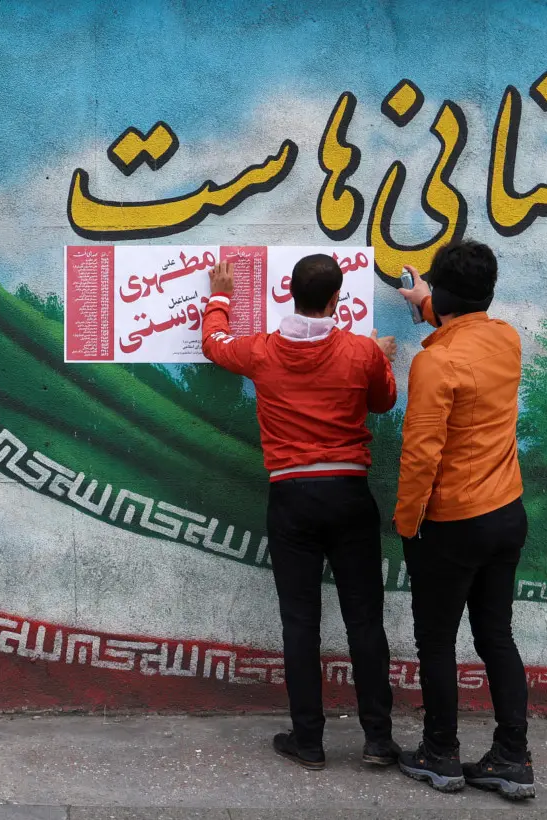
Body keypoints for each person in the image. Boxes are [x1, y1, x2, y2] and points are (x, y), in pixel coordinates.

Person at [203, 255, 400, 771]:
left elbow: (215, 345)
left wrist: (220, 297)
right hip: (350, 494)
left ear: (289, 293)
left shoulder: (264, 351)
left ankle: (308, 742)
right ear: (337, 299)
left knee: (300, 621)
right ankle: (378, 740)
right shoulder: (361, 352)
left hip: (292, 499)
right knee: (365, 620)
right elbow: (383, 401)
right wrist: (381, 357)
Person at [392, 239, 534, 800]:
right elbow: (465, 323)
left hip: (452, 523)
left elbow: (421, 454)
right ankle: (511, 757)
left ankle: (439, 752)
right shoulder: (506, 339)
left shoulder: (435, 362)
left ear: (444, 292)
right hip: (507, 513)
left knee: (436, 640)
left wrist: (407, 524)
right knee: (496, 634)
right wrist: (428, 304)